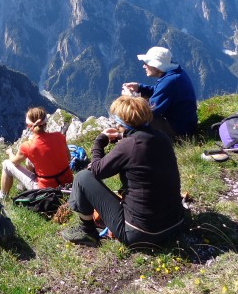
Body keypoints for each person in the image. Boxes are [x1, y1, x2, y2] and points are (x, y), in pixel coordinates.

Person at [62, 96, 185, 247]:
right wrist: (122, 136)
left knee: (82, 177)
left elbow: (96, 170)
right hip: (175, 224)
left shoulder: (129, 145)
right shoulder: (162, 137)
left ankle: (87, 231)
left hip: (139, 233)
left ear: (123, 123)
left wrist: (99, 141)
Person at [0, 107, 73, 200]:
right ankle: (22, 187)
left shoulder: (28, 145)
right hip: (68, 184)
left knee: (6, 164)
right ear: (45, 123)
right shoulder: (59, 136)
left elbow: (14, 162)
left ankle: (2, 198)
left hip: (46, 191)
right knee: (30, 160)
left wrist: (10, 152)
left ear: (29, 126)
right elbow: (69, 158)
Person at [123, 46, 197, 138]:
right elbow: (161, 91)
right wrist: (140, 88)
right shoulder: (176, 74)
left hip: (178, 132)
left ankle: (129, 139)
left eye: (146, 63)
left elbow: (149, 111)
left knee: (136, 115)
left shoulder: (169, 81)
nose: (144, 66)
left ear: (156, 66)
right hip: (185, 126)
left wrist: (131, 99)